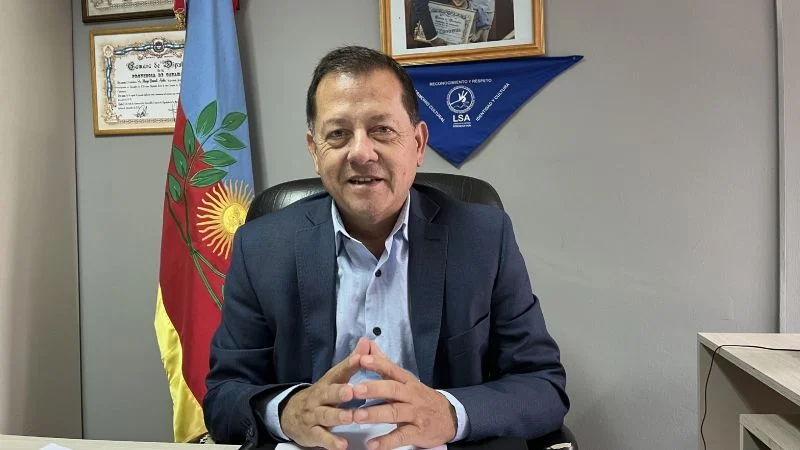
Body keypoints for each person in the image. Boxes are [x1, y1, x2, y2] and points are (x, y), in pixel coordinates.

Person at [203, 45, 569, 450]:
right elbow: (223, 396)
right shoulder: (260, 247)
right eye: (338, 134)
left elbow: (543, 386)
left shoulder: (482, 238)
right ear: (314, 151)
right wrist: (288, 411)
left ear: (418, 143)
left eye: (382, 129)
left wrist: (448, 414)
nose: (361, 152)